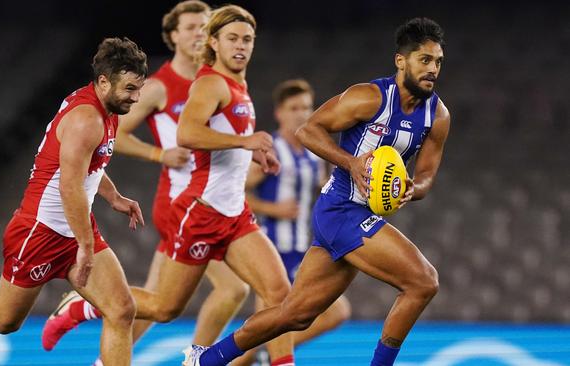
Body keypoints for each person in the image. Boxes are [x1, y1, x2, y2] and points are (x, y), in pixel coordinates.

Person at [185, 17, 450, 366]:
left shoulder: (438, 115)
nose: (433, 69)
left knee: (294, 315)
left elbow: (428, 176)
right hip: (341, 210)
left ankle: (206, 360)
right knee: (424, 281)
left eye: (438, 62)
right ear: (402, 61)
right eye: (425, 60)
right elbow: (309, 131)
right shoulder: (369, 97)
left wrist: (411, 189)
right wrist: (351, 163)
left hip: (355, 216)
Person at [41, 5, 296, 366]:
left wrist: (249, 151)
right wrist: (159, 155)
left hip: (228, 206)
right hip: (185, 203)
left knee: (172, 303)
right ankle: (189, 353)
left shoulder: (231, 81)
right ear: (179, 36)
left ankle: (192, 357)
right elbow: (121, 133)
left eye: (246, 39)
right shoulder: (165, 86)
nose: (198, 33)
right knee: (197, 297)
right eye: (193, 27)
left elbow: (228, 132)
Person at [0, 38, 149, 366]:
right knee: (4, 321)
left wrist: (113, 196)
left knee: (122, 310)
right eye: (129, 89)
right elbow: (70, 187)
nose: (135, 98)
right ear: (103, 81)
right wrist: (85, 245)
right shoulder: (88, 119)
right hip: (39, 233)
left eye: (138, 89)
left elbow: (88, 166)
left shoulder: (107, 109)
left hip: (74, 229)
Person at [232, 79, 352, 366]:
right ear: (279, 113)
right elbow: (236, 193)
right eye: (294, 107)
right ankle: (262, 355)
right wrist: (271, 207)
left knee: (336, 312)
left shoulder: (314, 150)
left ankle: (265, 354)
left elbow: (324, 188)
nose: (301, 113)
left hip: (300, 250)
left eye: (306, 107)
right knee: (262, 330)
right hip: (271, 249)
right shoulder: (270, 150)